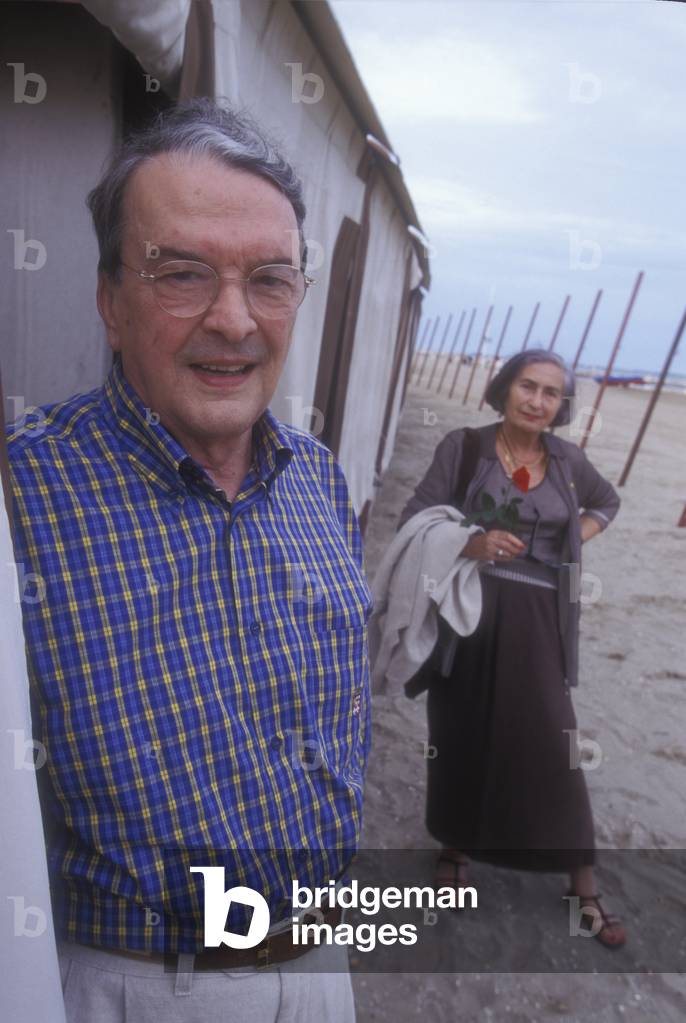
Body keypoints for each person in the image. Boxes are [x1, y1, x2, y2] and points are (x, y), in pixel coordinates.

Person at [6, 99, 372, 1021]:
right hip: (131, 983)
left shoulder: (320, 480)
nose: (233, 320)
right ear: (108, 300)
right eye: (181, 274)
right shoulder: (20, 499)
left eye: (270, 280)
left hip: (321, 958)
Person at [397, 349, 626, 948]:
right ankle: (455, 848)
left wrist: (572, 538)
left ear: (561, 406)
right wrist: (469, 543)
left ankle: (583, 881)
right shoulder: (465, 447)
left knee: (558, 745)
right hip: (467, 615)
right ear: (505, 389)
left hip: (539, 620)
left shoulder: (569, 461)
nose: (538, 401)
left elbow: (607, 503)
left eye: (552, 393)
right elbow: (416, 516)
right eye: (529, 386)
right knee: (462, 733)